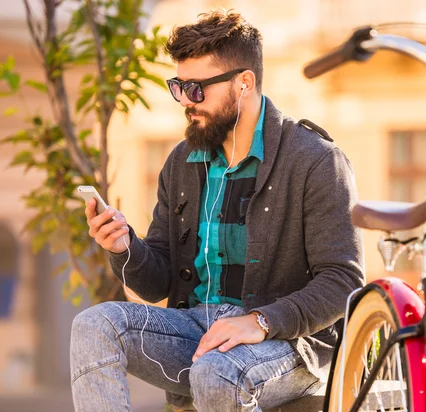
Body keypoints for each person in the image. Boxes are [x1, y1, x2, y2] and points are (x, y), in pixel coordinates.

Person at [70, 9, 364, 412]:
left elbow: (343, 280)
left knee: (217, 372)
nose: (185, 102)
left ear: (245, 83)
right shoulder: (182, 162)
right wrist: (124, 248)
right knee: (94, 325)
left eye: (197, 89)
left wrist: (259, 321)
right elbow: (158, 282)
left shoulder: (315, 160)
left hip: (290, 343)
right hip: (198, 332)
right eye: (179, 87)